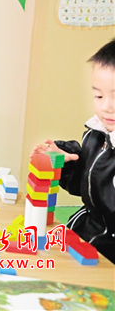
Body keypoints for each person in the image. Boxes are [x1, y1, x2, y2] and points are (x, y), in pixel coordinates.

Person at [30, 38, 115, 264]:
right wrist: (66, 162)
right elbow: (86, 185)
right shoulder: (97, 135)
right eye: (99, 96)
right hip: (84, 235)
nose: (106, 107)